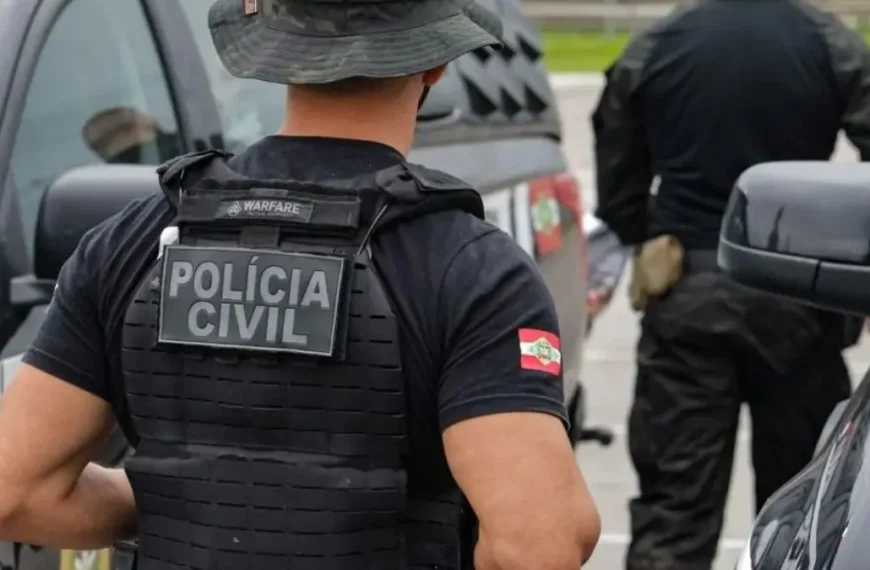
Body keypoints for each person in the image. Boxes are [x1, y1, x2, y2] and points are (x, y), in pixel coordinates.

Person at [0, 1, 601, 569]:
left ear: (277, 50)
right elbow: (536, 543)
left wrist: (184, 507)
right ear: (436, 63)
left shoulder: (128, 244)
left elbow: (15, 490)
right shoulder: (470, 271)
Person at [591, 2, 870, 569]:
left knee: (674, 510)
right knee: (809, 514)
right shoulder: (827, 40)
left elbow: (614, 147)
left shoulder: (659, 42)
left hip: (687, 286)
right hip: (800, 289)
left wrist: (646, 229)